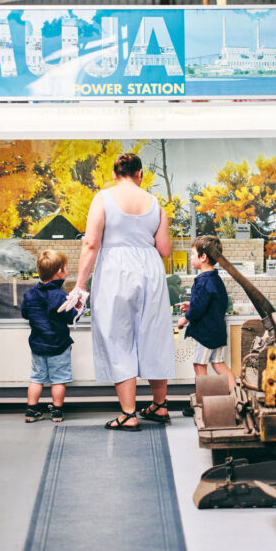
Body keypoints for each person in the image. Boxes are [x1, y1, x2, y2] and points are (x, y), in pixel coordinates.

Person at [64, 153, 175, 431]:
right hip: (150, 269)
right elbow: (165, 250)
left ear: (115, 174)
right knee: (154, 334)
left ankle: (128, 413)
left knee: (118, 335)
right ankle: (160, 406)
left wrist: (80, 284)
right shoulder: (155, 203)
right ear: (140, 174)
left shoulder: (103, 198)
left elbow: (91, 243)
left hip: (115, 268)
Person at [21, 250, 77, 423]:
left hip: (38, 344)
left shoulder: (29, 294)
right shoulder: (61, 295)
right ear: (59, 272)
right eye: (66, 269)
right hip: (59, 345)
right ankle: (57, 412)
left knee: (36, 378)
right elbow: (71, 317)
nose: (68, 272)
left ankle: (31, 411)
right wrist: (77, 306)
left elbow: (25, 313)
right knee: (59, 380)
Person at [177, 236, 233, 392]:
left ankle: (203, 399)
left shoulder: (202, 281)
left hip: (204, 334)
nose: (190, 257)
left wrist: (185, 318)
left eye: (193, 253)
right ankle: (237, 396)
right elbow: (215, 303)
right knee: (219, 364)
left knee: (199, 365)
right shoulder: (216, 279)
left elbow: (199, 308)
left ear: (203, 257)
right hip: (217, 331)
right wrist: (192, 304)